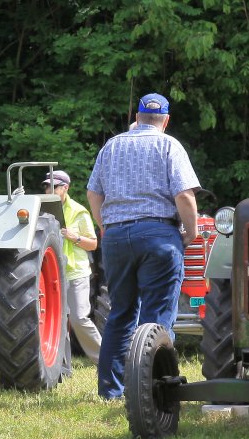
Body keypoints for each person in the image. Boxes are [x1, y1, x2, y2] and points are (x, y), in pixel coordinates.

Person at [85, 93, 201, 400]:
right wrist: (191, 232)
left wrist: (105, 226)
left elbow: (93, 193)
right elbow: (184, 196)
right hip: (158, 235)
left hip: (116, 238)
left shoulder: (112, 146)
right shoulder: (169, 145)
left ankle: (111, 391)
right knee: (157, 316)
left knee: (120, 314)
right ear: (166, 120)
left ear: (136, 117)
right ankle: (152, 390)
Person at [44, 169, 102, 357]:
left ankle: (105, 360)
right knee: (58, 322)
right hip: (54, 274)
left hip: (77, 273)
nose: (49, 190)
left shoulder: (79, 212)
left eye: (53, 187)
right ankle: (62, 367)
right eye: (46, 187)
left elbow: (93, 244)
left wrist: (74, 237)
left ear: (65, 188)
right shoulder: (43, 210)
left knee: (78, 319)